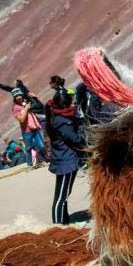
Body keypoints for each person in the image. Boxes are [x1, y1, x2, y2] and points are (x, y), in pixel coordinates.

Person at [44, 94, 86, 224]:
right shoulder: (62, 122)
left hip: (65, 160)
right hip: (65, 163)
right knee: (61, 197)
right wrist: (82, 127)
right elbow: (76, 139)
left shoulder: (60, 119)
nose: (74, 105)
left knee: (65, 194)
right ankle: (57, 225)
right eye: (72, 103)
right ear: (65, 106)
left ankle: (65, 220)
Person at [11, 88, 47, 168]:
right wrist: (26, 108)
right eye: (16, 96)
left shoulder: (26, 102)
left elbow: (39, 107)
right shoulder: (15, 108)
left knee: (41, 146)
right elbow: (21, 119)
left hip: (35, 127)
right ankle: (30, 165)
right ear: (14, 98)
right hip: (27, 131)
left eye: (19, 95)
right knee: (28, 148)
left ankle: (41, 161)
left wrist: (35, 98)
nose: (19, 97)